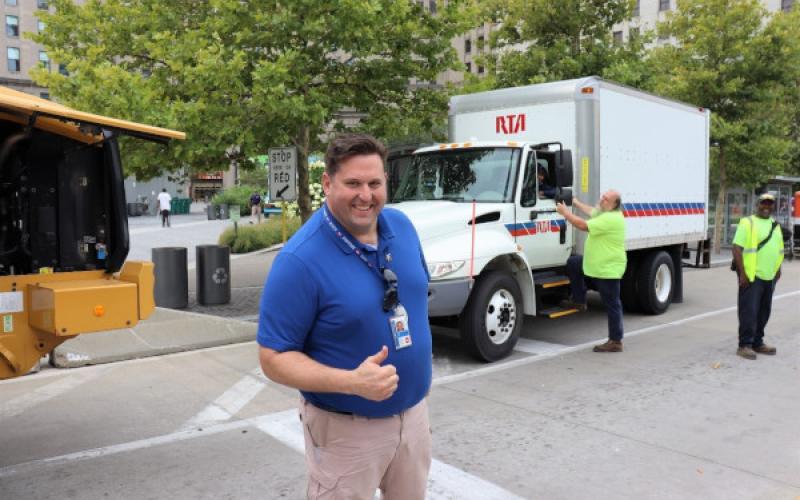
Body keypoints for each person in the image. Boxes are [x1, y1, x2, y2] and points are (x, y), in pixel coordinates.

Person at [257, 133, 432, 499]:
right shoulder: (298, 261)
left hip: (414, 417)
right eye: (353, 184)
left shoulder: (402, 227)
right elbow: (273, 358)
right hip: (346, 433)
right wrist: (352, 382)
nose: (365, 196)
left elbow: (414, 298)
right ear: (327, 183)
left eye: (374, 183)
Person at [556, 190, 627, 352]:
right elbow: (591, 211)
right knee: (574, 263)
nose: (602, 199)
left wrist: (565, 213)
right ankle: (579, 300)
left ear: (614, 205)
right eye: (602, 196)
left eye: (606, 199)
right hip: (594, 264)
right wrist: (575, 202)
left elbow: (583, 225)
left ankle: (616, 341)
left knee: (612, 304)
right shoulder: (605, 213)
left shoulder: (611, 219)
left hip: (607, 268)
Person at [731, 192, 784, 360]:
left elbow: (779, 249)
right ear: (757, 205)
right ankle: (744, 345)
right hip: (752, 276)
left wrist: (778, 269)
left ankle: (757, 342)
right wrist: (743, 274)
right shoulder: (748, 222)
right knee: (749, 312)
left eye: (770, 204)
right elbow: (736, 248)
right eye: (763, 203)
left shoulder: (775, 225)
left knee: (763, 312)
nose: (766, 206)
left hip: (770, 276)